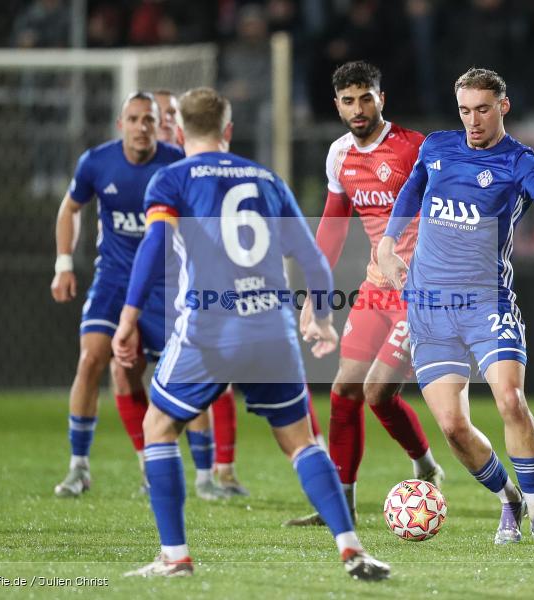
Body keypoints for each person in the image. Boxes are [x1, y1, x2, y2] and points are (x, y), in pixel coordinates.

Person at [113, 87, 389, 579]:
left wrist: (129, 317)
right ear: (229, 132)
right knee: (302, 441)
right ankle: (352, 549)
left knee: (158, 427)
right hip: (273, 330)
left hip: (210, 330)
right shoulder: (266, 179)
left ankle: (175, 556)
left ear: (178, 132)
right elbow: (311, 260)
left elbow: (153, 249)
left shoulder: (171, 178)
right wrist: (321, 316)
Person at [377, 68, 534, 546]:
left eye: (483, 109)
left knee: (510, 399)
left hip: (487, 302)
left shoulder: (519, 162)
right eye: (465, 110)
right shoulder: (438, 147)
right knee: (451, 426)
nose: (473, 120)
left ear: (502, 106)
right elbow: (413, 188)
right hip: (429, 306)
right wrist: (388, 241)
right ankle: (507, 498)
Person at [287, 61, 443, 527]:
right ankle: (341, 506)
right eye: (349, 100)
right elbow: (333, 228)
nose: (359, 108)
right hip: (376, 288)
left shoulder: (414, 149)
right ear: (336, 105)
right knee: (343, 391)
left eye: (366, 98)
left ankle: (424, 463)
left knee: (378, 393)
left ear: (382, 98)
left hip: (420, 293)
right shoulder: (338, 155)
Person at [50, 91, 228, 501]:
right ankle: (81, 468)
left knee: (188, 371)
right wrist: (63, 264)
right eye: (133, 119)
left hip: (167, 285)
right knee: (94, 359)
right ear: (121, 124)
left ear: (157, 124)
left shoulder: (175, 163)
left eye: (148, 119)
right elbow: (69, 208)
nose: (141, 127)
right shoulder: (97, 161)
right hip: (113, 280)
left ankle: (204, 477)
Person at [153, 89, 244, 498]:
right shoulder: (165, 169)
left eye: (170, 114)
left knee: (210, 381)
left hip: (198, 291)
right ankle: (172, 468)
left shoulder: (195, 169)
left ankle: (215, 472)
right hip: (169, 287)